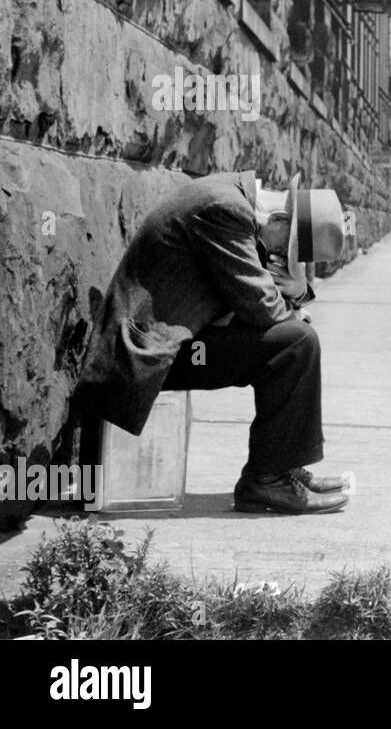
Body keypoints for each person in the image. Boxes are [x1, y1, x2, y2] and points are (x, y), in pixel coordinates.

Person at [73, 171, 349, 515]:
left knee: (295, 339)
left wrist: (296, 292)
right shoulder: (226, 210)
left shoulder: (231, 196)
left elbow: (264, 291)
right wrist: (293, 311)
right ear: (278, 218)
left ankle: (281, 467)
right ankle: (267, 480)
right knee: (296, 343)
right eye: (281, 249)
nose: (275, 257)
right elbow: (259, 305)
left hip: (178, 339)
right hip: (148, 352)